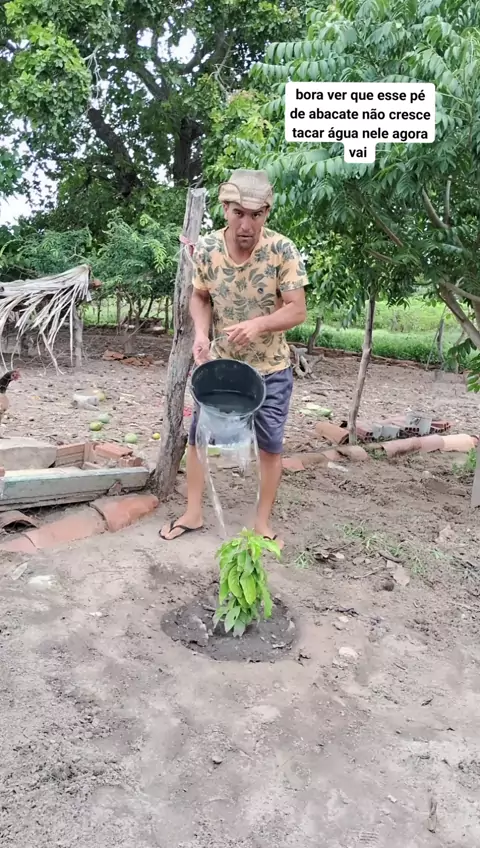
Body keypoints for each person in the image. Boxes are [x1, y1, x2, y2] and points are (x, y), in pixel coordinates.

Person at [160, 169, 308, 546]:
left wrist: (259, 325)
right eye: (239, 213)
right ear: (225, 208)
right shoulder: (208, 249)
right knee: (198, 440)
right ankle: (193, 513)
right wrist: (200, 334)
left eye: (256, 215)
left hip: (271, 370)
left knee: (270, 446)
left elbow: (297, 310)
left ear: (267, 213)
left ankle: (262, 523)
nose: (246, 224)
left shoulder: (282, 250)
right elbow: (200, 296)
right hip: (222, 368)